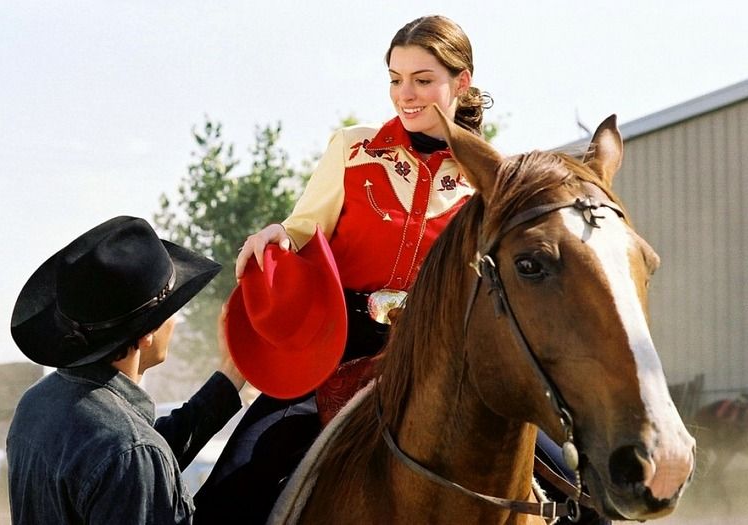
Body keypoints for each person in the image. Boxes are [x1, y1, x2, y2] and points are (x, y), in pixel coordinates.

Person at [196, 15, 608, 525]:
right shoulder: (352, 149)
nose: (404, 95)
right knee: (227, 493)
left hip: (446, 368)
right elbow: (301, 230)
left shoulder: (492, 180)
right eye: (395, 79)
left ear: (462, 82)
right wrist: (276, 235)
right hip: (334, 354)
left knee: (590, 499)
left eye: (422, 79)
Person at [6, 216, 246, 525]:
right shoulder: (131, 451)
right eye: (173, 308)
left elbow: (131, 459)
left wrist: (233, 370)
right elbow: (134, 458)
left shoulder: (36, 404)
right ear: (147, 333)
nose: (176, 320)